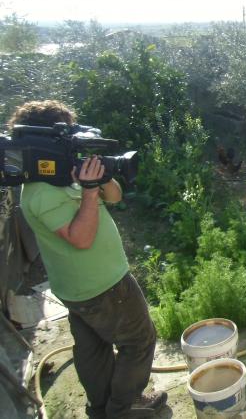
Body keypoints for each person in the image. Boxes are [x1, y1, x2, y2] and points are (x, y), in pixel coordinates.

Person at [9, 101, 167, 418]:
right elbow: (81, 238)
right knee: (139, 340)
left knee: (93, 349)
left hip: (76, 287)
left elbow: (115, 196)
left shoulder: (58, 170)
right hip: (103, 284)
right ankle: (124, 408)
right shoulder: (40, 191)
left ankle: (101, 408)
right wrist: (89, 191)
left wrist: (101, 177)